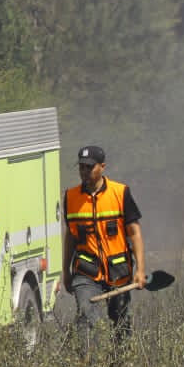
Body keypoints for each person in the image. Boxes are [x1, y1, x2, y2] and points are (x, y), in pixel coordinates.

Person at [61, 145, 146, 346]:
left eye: (89, 167)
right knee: (87, 315)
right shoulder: (71, 197)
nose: (84, 172)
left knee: (121, 326)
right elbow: (70, 237)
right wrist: (66, 271)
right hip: (86, 273)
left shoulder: (121, 193)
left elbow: (134, 232)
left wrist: (141, 270)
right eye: (81, 167)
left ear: (102, 167)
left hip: (119, 273)